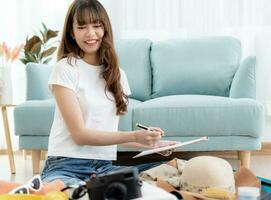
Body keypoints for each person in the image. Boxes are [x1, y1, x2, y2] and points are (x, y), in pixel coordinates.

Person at [41, 0, 177, 187]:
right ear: (72, 33)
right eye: (82, 27)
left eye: (97, 25)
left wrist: (151, 144)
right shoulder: (65, 68)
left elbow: (107, 134)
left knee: (174, 170)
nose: (91, 33)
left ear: (105, 29)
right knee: (72, 193)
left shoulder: (118, 75)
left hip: (103, 168)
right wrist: (135, 136)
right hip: (65, 166)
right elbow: (80, 135)